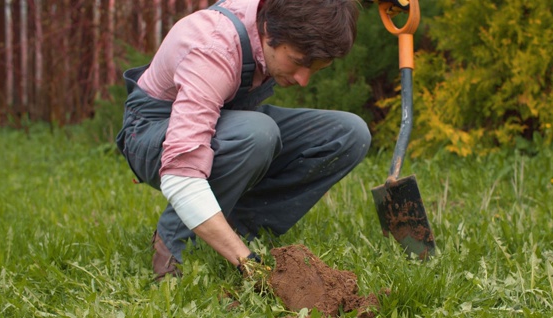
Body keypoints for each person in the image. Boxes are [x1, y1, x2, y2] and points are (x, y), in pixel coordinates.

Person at [116, 0, 371, 280]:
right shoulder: (214, 48)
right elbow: (181, 174)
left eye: (316, 69)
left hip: (225, 122)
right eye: (298, 62)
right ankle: (175, 246)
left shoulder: (277, 14)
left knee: (349, 134)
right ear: (268, 31)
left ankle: (234, 230)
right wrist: (250, 264)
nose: (303, 80)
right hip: (153, 136)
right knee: (257, 133)